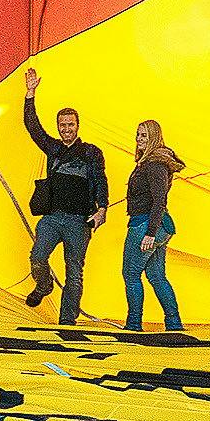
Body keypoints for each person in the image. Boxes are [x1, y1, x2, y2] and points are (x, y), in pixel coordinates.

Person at [17, 68, 109, 324]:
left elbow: (101, 180)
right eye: (62, 125)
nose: (66, 129)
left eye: (70, 124)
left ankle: (67, 322)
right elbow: (33, 127)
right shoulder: (54, 148)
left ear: (77, 126)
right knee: (37, 256)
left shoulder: (91, 152)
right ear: (58, 127)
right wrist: (30, 94)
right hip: (53, 218)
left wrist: (102, 208)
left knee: (74, 273)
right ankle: (44, 285)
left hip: (79, 221)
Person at [120, 117, 187, 334]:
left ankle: (133, 324)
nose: (139, 139)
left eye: (144, 136)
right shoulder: (152, 162)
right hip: (158, 226)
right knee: (157, 276)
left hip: (146, 225)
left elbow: (159, 200)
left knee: (131, 274)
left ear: (154, 138)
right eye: (138, 135)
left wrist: (149, 233)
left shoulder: (155, 164)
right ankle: (174, 324)